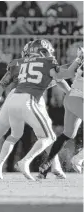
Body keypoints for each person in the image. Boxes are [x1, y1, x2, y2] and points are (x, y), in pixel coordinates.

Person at [0, 39, 72, 180]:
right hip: (30, 99)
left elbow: (2, 84)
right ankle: (26, 161)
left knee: (17, 135)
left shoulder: (19, 63)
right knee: (48, 136)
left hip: (15, 98)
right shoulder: (47, 62)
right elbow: (59, 78)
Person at [38, 47, 84, 177]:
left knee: (68, 134)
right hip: (78, 99)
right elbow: (65, 74)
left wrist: (78, 58)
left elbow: (62, 74)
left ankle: (46, 165)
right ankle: (79, 158)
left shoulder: (80, 59)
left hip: (71, 98)